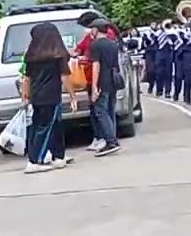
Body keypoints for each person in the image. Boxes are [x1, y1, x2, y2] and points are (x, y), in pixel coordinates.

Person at [20, 22, 80, 174]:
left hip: (37, 96)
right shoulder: (58, 55)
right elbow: (65, 77)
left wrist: (25, 97)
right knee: (45, 128)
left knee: (52, 126)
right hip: (51, 96)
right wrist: (73, 96)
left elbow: (26, 78)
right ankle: (34, 160)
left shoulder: (31, 57)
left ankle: (58, 156)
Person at [85, 18, 123, 156]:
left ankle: (111, 141)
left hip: (102, 81)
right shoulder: (113, 44)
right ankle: (113, 137)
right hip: (113, 81)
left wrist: (94, 86)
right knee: (110, 110)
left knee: (100, 111)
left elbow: (96, 66)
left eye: (92, 29)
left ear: (96, 30)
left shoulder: (95, 46)